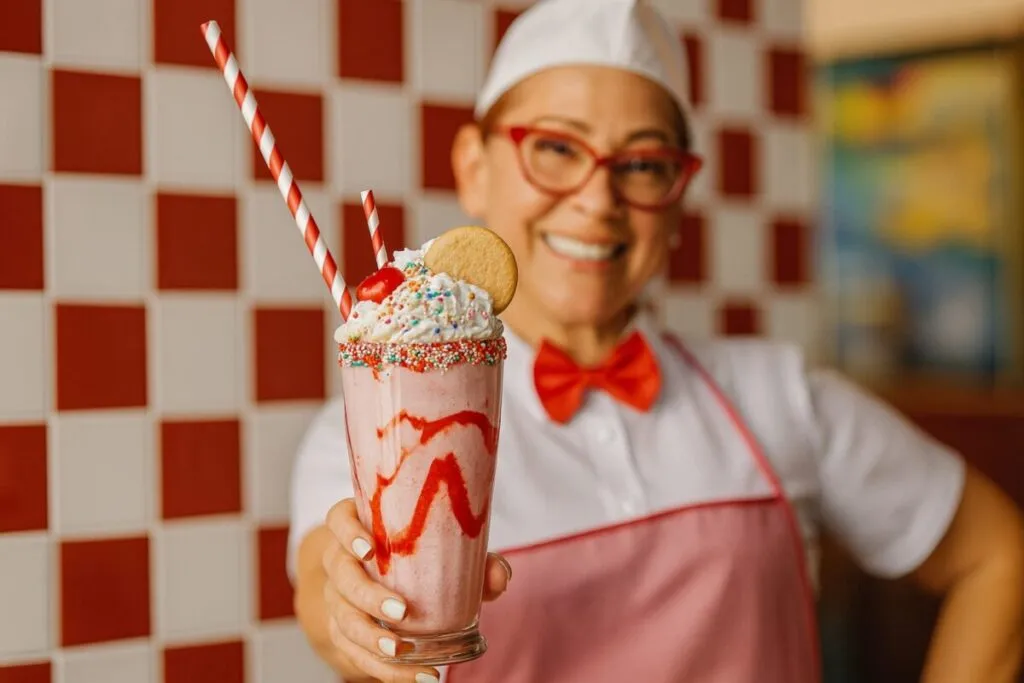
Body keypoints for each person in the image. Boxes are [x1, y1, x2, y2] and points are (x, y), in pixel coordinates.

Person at [287, 1, 1024, 681]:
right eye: (555, 148)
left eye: (642, 164)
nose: (597, 198)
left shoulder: (779, 393)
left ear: (676, 204)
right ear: (474, 170)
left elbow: (1000, 556)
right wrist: (356, 615)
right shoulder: (380, 429)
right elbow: (329, 593)